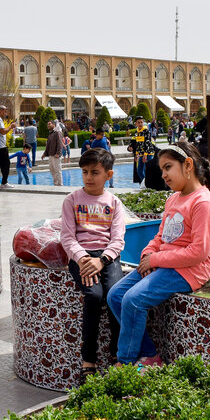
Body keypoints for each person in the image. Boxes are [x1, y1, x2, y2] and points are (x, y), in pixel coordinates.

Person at [107, 140, 210, 367]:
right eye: (162, 169)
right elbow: (161, 236)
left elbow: (199, 252)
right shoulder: (173, 199)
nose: (163, 175)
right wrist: (149, 253)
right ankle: (150, 354)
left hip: (189, 270)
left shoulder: (204, 203)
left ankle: (126, 362)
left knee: (133, 300)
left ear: (187, 165)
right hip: (165, 264)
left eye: (168, 167)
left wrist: (157, 259)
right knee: (116, 296)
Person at [60, 147, 125, 378]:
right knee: (94, 296)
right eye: (85, 172)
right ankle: (88, 358)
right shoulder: (72, 200)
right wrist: (83, 258)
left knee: (115, 296)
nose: (89, 177)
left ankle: (118, 354)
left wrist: (103, 260)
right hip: (82, 256)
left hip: (107, 257)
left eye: (95, 172)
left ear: (108, 175)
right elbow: (67, 237)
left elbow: (118, 240)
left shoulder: (114, 203)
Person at [129, 116, 153, 183]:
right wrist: (136, 154)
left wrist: (145, 155)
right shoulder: (136, 132)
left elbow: (147, 143)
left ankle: (149, 184)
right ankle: (144, 184)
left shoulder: (146, 131)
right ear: (135, 123)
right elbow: (138, 144)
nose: (140, 124)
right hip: (141, 153)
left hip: (148, 153)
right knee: (139, 170)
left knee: (147, 170)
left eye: (141, 122)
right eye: (138, 122)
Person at [41, 119, 64, 186]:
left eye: (49, 124)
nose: (48, 125)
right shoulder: (50, 134)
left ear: (53, 125)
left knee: (57, 171)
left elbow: (60, 143)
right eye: (47, 124)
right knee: (52, 171)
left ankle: (60, 184)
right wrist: (44, 154)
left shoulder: (57, 133)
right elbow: (48, 146)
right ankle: (56, 184)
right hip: (51, 155)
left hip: (56, 155)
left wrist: (58, 153)